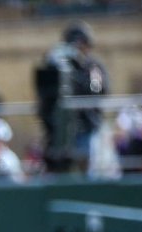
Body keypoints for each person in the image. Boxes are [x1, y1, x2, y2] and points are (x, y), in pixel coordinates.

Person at [37, 22, 109, 174]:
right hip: (59, 127)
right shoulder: (58, 64)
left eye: (81, 43)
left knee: (86, 169)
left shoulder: (93, 66)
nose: (77, 48)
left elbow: (98, 90)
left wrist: (80, 73)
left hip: (86, 125)